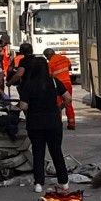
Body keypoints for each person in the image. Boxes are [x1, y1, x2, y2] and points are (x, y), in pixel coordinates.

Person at [19, 56, 71, 193]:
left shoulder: (28, 85)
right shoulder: (54, 82)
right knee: (56, 152)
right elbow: (68, 98)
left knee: (38, 153)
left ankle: (38, 183)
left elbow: (23, 106)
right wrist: (59, 108)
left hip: (35, 123)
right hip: (53, 122)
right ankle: (64, 182)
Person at [43, 48, 76, 130]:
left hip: (58, 86)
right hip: (68, 83)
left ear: (49, 55)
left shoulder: (50, 63)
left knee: (58, 104)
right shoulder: (65, 58)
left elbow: (49, 75)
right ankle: (71, 123)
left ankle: (58, 123)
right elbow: (69, 67)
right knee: (68, 103)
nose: (47, 58)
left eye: (46, 56)